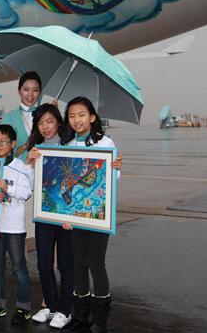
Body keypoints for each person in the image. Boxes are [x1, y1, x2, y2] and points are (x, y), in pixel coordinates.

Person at [61, 97, 122, 333]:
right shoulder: (66, 145)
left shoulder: (105, 142)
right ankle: (81, 316)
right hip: (75, 216)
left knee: (96, 263)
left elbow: (113, 180)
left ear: (93, 117)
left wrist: (116, 168)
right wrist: (63, 215)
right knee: (79, 264)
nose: (77, 120)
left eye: (82, 115)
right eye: (72, 115)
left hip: (98, 215)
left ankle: (100, 319)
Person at [25, 104, 74, 329]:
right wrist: (29, 163)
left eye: (49, 121)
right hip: (43, 214)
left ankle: (65, 310)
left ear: (58, 123)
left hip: (65, 217)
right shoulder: (35, 150)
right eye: (40, 122)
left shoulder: (71, 146)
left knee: (65, 264)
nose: (45, 127)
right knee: (43, 263)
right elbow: (29, 184)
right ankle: (51, 307)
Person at [0, 124, 33, 325]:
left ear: (12, 144)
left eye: (2, 142)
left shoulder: (21, 167)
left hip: (13, 227)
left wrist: (8, 187)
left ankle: (24, 307)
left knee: (19, 268)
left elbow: (26, 193)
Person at [1, 71, 42, 161]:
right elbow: (3, 153)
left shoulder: (46, 116)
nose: (30, 94)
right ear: (19, 91)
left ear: (40, 93)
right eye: (26, 89)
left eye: (35, 90)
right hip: (18, 172)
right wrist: (26, 145)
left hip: (44, 170)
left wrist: (53, 116)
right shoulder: (9, 118)